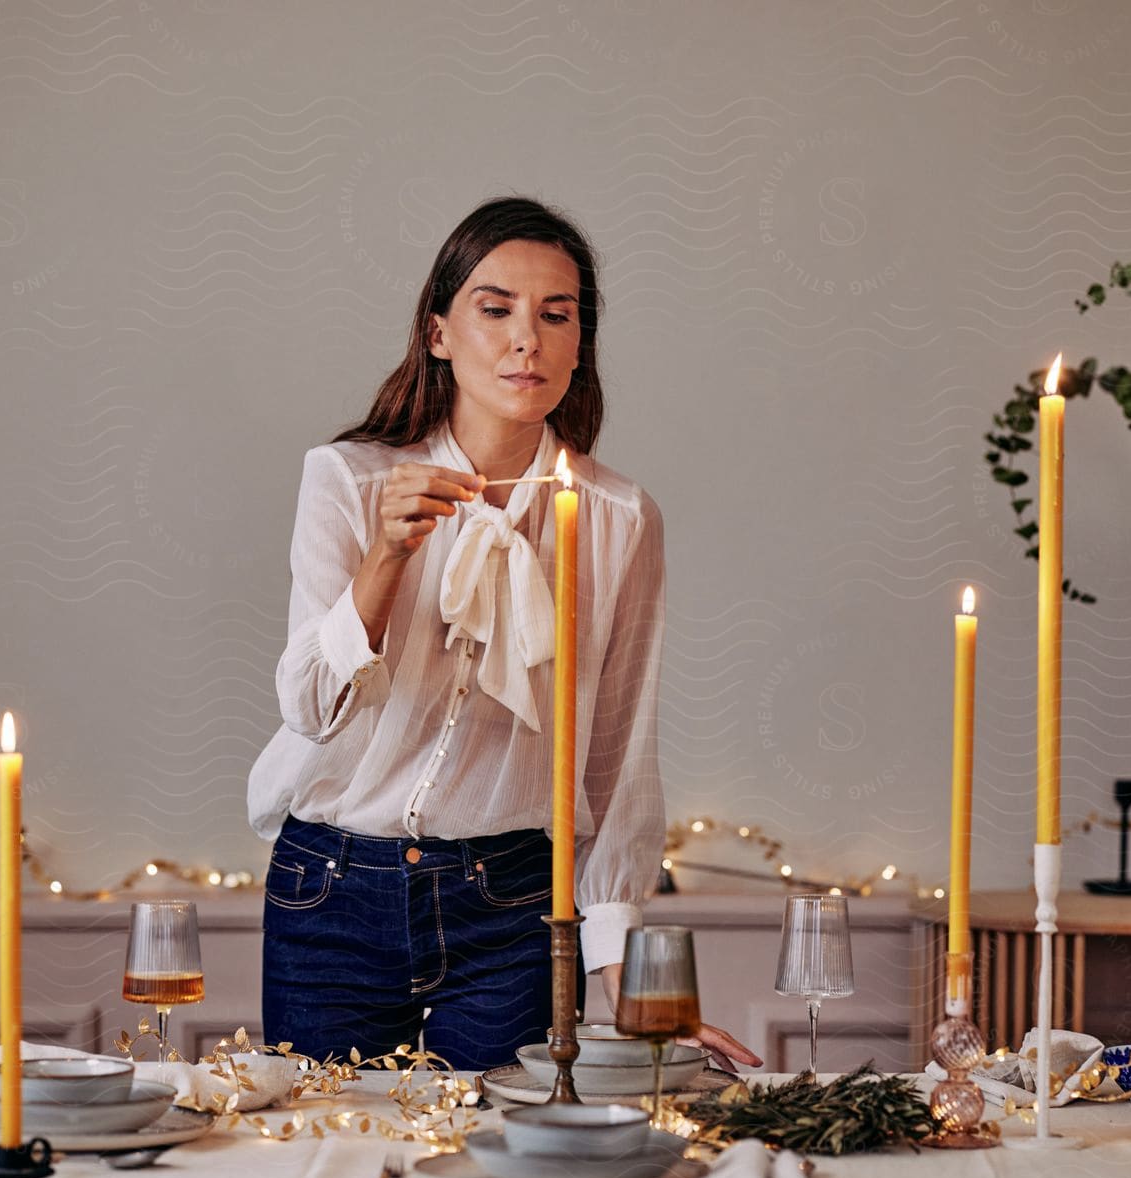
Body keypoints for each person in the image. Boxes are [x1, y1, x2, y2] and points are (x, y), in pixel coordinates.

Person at [248, 196, 760, 1074]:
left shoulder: (618, 517)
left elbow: (615, 754)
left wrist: (624, 974)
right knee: (329, 1151)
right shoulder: (346, 478)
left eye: (556, 315)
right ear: (439, 330)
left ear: (578, 343)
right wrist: (386, 555)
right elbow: (308, 707)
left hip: (516, 902)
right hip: (330, 888)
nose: (528, 338)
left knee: (503, 1161)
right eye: (497, 309)